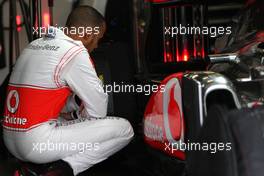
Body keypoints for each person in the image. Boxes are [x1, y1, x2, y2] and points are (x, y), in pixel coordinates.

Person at [2, 6, 134, 176]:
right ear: (87, 35)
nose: (96, 46)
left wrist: (72, 112)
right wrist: (78, 114)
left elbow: (48, 100)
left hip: (10, 141)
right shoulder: (74, 52)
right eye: (97, 40)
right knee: (124, 129)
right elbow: (98, 113)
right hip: (36, 145)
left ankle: (38, 166)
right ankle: (62, 169)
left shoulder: (34, 45)